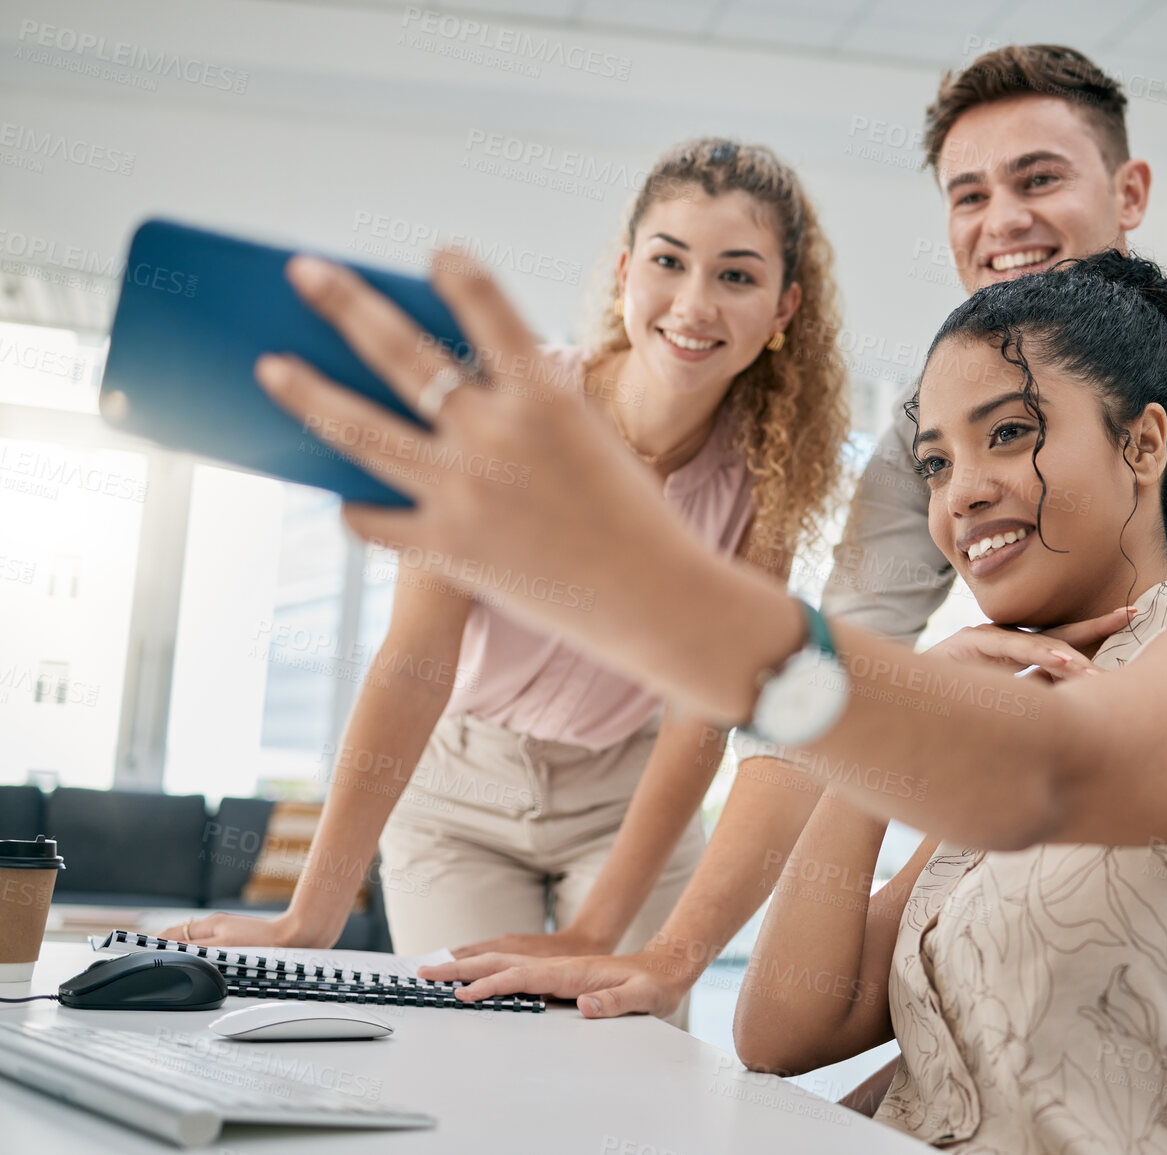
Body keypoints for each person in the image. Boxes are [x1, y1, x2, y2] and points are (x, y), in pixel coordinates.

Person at [421, 42, 1167, 1029]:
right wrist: (671, 958)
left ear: (1131, 189)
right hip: (1067, 869)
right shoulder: (938, 422)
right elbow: (820, 674)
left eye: (1038, 178)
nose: (1001, 220)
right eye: (967, 196)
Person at [253, 245, 1167, 1153]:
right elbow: (788, 1027)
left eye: (1010, 434)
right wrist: (874, 763)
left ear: (1142, 446)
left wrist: (656, 593)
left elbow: (1049, 776)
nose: (963, 493)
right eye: (934, 462)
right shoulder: (1010, 727)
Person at [171, 140, 849, 1028]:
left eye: (736, 275)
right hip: (459, 791)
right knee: (469, 1045)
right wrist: (312, 913)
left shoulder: (770, 476)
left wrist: (601, 928)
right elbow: (415, 659)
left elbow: (706, 707)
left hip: (624, 796)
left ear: (783, 307)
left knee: (622, 1048)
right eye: (668, 262)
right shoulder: (518, 408)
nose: (693, 304)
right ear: (624, 270)